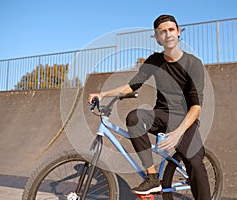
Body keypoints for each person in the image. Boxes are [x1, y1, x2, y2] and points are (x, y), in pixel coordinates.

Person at [89, 14, 211, 199]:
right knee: (135, 117)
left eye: (171, 30)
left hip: (184, 118)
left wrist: (178, 132)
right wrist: (103, 94)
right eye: (162, 32)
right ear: (156, 37)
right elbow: (133, 85)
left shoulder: (193, 63)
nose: (168, 34)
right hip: (161, 114)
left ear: (178, 32)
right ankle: (152, 177)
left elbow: (196, 105)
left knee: (195, 164)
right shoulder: (154, 61)